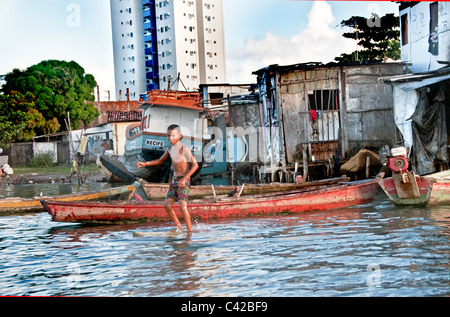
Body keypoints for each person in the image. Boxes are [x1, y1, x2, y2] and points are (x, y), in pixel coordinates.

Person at [137, 124, 198, 232]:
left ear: (179, 136)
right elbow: (160, 161)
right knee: (167, 205)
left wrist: (184, 179)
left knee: (182, 206)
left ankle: (189, 232)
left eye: (173, 136)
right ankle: (180, 228)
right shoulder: (169, 149)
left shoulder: (184, 148)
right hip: (175, 181)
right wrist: (145, 164)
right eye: (168, 136)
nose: (170, 138)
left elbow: (195, 165)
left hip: (184, 180)